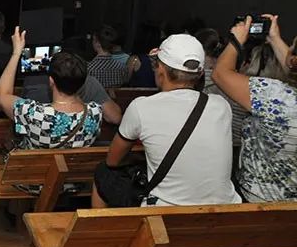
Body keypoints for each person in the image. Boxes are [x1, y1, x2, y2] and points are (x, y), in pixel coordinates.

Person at [93, 34, 240, 208]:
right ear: (200, 73)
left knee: (103, 172)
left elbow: (113, 160)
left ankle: (101, 224)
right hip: (225, 206)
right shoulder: (221, 105)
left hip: (166, 209)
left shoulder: (141, 107)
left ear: (161, 70)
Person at [212, 14, 297, 202]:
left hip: (261, 202)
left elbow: (220, 73)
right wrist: (274, 39)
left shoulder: (275, 96)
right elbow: (293, 66)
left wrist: (236, 41)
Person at [0, 27, 103, 150]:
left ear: (51, 81)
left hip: (35, 163)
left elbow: (2, 94)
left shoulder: (34, 114)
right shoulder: (95, 113)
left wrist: (16, 53)